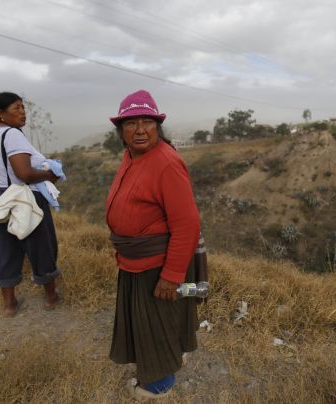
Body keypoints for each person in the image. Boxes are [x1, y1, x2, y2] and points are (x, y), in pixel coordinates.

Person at [106, 89, 201, 399]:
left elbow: (186, 224)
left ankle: (158, 387)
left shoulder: (166, 162)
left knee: (156, 326)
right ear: (121, 131)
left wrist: (172, 276)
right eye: (131, 123)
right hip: (135, 262)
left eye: (148, 121)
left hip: (157, 264)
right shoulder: (131, 157)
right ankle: (170, 360)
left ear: (158, 126)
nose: (140, 129)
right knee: (155, 321)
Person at [0, 92, 60, 317]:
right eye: (16, 108)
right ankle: (51, 297)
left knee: (7, 248)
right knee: (41, 246)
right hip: (23, 198)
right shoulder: (12, 134)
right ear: (1, 113)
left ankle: (9, 305)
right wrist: (48, 175)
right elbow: (24, 173)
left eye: (23, 107)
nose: (23, 112)